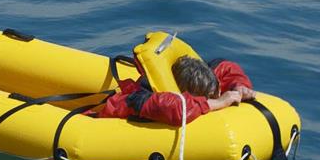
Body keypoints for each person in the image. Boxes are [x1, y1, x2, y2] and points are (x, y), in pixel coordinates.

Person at [96, 56, 257, 125]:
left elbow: (226, 67)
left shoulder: (203, 79)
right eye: (210, 96)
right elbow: (178, 108)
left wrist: (239, 86)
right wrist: (217, 103)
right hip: (96, 124)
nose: (218, 95)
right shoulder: (142, 99)